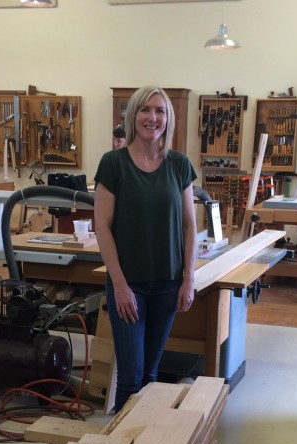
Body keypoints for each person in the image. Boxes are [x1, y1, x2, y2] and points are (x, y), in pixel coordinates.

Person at [94, 87, 198, 412]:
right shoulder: (113, 164)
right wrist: (120, 286)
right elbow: (102, 227)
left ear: (168, 119)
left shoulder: (179, 165)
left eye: (160, 111)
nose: (153, 118)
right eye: (145, 110)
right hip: (129, 286)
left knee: (151, 375)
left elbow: (189, 226)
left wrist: (188, 278)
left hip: (167, 284)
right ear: (132, 116)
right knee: (130, 377)